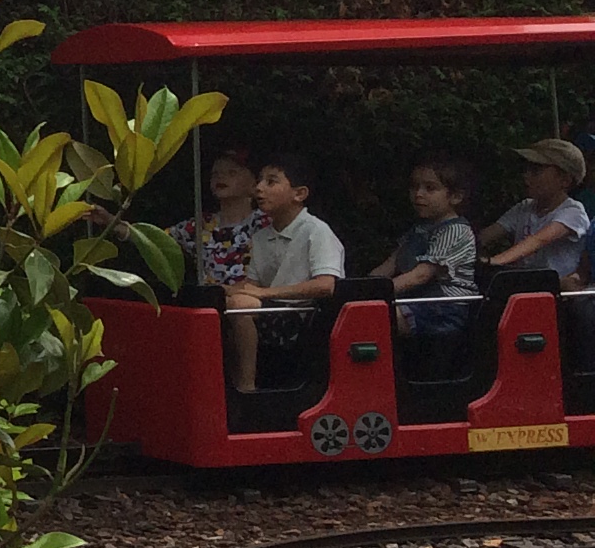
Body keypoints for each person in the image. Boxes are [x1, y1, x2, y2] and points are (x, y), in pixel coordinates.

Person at [223, 152, 345, 394]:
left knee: (238, 305)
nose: (259, 188)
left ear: (299, 194)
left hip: (304, 317)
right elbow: (252, 284)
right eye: (259, 180)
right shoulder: (261, 236)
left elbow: (325, 285)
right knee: (219, 300)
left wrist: (264, 293)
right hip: (272, 312)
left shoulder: (316, 231)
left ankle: (246, 388)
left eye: (271, 182)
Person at [370, 154, 478, 361]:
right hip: (417, 302)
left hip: (445, 309)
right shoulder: (418, 230)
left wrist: (376, 292)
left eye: (430, 188)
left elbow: (421, 275)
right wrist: (361, 286)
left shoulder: (455, 230)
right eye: (414, 187)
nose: (418, 194)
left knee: (378, 316)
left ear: (455, 197)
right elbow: (390, 265)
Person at [479, 140, 590, 281]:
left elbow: (539, 240)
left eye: (536, 170)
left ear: (565, 180)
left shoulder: (573, 212)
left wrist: (493, 262)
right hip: (526, 286)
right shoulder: (524, 207)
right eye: (526, 169)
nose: (526, 175)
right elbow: (487, 235)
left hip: (558, 290)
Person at [166, 146, 260, 290]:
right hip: (210, 300)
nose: (221, 177)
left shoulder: (265, 223)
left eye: (232, 172)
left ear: (254, 184)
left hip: (252, 299)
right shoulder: (200, 225)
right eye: (215, 173)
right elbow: (157, 239)